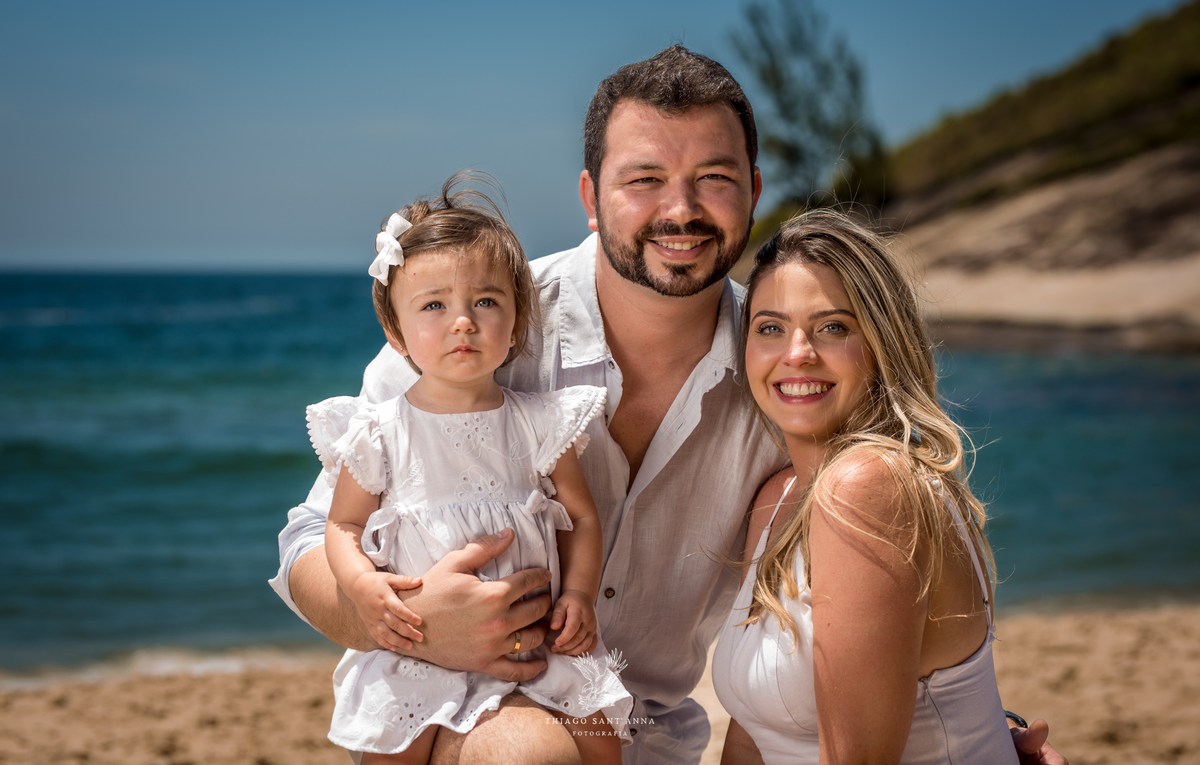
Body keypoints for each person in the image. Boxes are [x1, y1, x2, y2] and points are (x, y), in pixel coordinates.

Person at [271, 46, 1062, 765]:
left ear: (753, 191)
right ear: (591, 196)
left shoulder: (782, 369)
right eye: (644, 179)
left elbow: (898, 560)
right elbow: (312, 535)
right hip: (474, 708)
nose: (679, 210)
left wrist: (981, 729)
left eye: (713, 178)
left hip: (651, 740)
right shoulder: (477, 323)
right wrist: (411, 623)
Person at [307, 175, 631, 764]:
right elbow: (342, 525)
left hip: (539, 641)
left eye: (485, 301)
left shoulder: (540, 421)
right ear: (395, 332)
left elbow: (582, 517)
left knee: (603, 744)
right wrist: (361, 586)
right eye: (434, 305)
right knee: (394, 751)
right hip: (421, 644)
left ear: (517, 320)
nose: (463, 321)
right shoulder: (379, 431)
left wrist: (579, 595)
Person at [713, 211, 1034, 764]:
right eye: (769, 328)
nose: (797, 352)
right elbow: (750, 738)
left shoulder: (869, 487)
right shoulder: (778, 498)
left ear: (883, 344)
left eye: (833, 327)